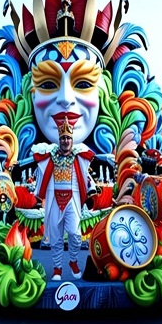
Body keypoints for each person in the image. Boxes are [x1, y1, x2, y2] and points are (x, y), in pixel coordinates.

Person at [33, 116, 97, 281]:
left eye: (68, 138)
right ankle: (57, 268)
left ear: (72, 140)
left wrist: (91, 191)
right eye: (63, 138)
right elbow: (37, 157)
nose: (65, 141)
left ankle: (73, 261)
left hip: (72, 199)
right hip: (54, 199)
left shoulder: (78, 156)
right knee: (56, 237)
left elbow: (88, 164)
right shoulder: (51, 156)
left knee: (75, 234)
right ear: (59, 140)